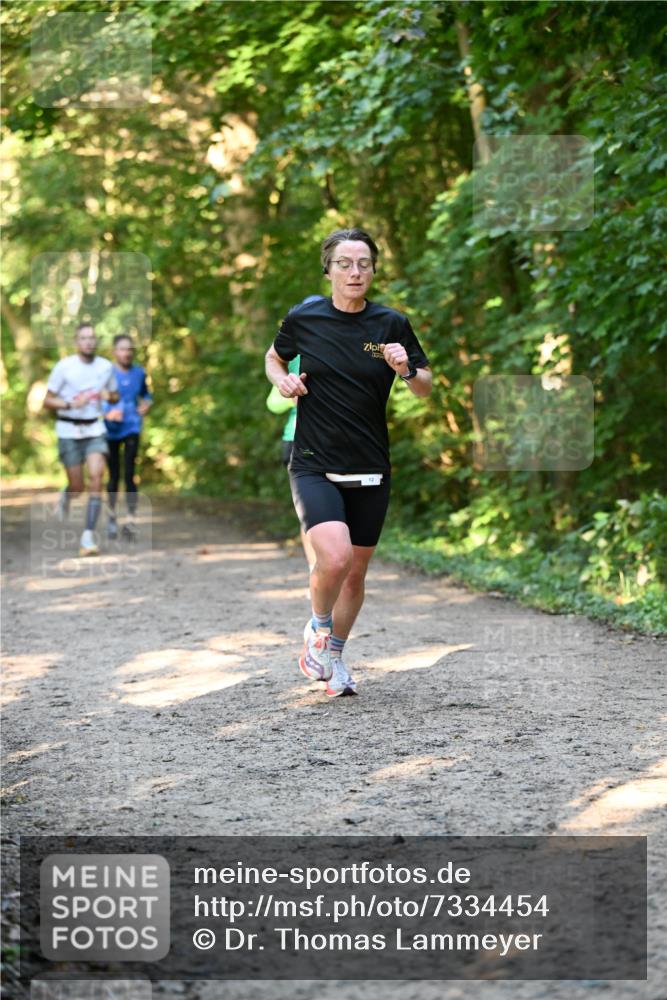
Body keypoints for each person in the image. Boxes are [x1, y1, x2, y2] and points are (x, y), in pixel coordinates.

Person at [264, 228, 432, 697]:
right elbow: (274, 359)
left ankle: (333, 655)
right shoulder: (305, 317)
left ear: (374, 270)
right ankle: (318, 630)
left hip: (371, 463)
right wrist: (282, 381)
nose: (355, 271)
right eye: (345, 263)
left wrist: (407, 369)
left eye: (364, 263)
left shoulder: (391, 324)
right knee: (333, 558)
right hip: (314, 460)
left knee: (356, 573)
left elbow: (425, 388)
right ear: (329, 269)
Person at [43, 323, 119, 556]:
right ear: (76, 342)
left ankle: (88, 536)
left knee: (97, 477)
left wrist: (109, 396)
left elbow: (115, 396)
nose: (88, 342)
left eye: (92, 338)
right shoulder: (64, 367)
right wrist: (69, 404)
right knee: (78, 486)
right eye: (83, 338)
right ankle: (68, 494)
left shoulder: (106, 367)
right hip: (68, 431)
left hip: (95, 429)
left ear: (96, 341)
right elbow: (47, 400)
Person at [266, 296, 324, 572]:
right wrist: (291, 395)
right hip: (297, 439)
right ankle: (315, 569)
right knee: (310, 513)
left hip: (334, 441)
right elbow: (272, 403)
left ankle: (330, 567)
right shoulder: (292, 357)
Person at [102, 334, 153, 540]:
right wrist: (107, 412)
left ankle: (131, 520)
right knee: (113, 475)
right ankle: (112, 519)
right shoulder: (106, 373)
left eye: (130, 349)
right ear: (115, 352)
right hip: (111, 428)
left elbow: (146, 395)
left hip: (132, 426)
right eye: (123, 349)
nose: (127, 353)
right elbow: (97, 397)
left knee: (130, 473)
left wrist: (146, 405)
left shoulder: (139, 373)